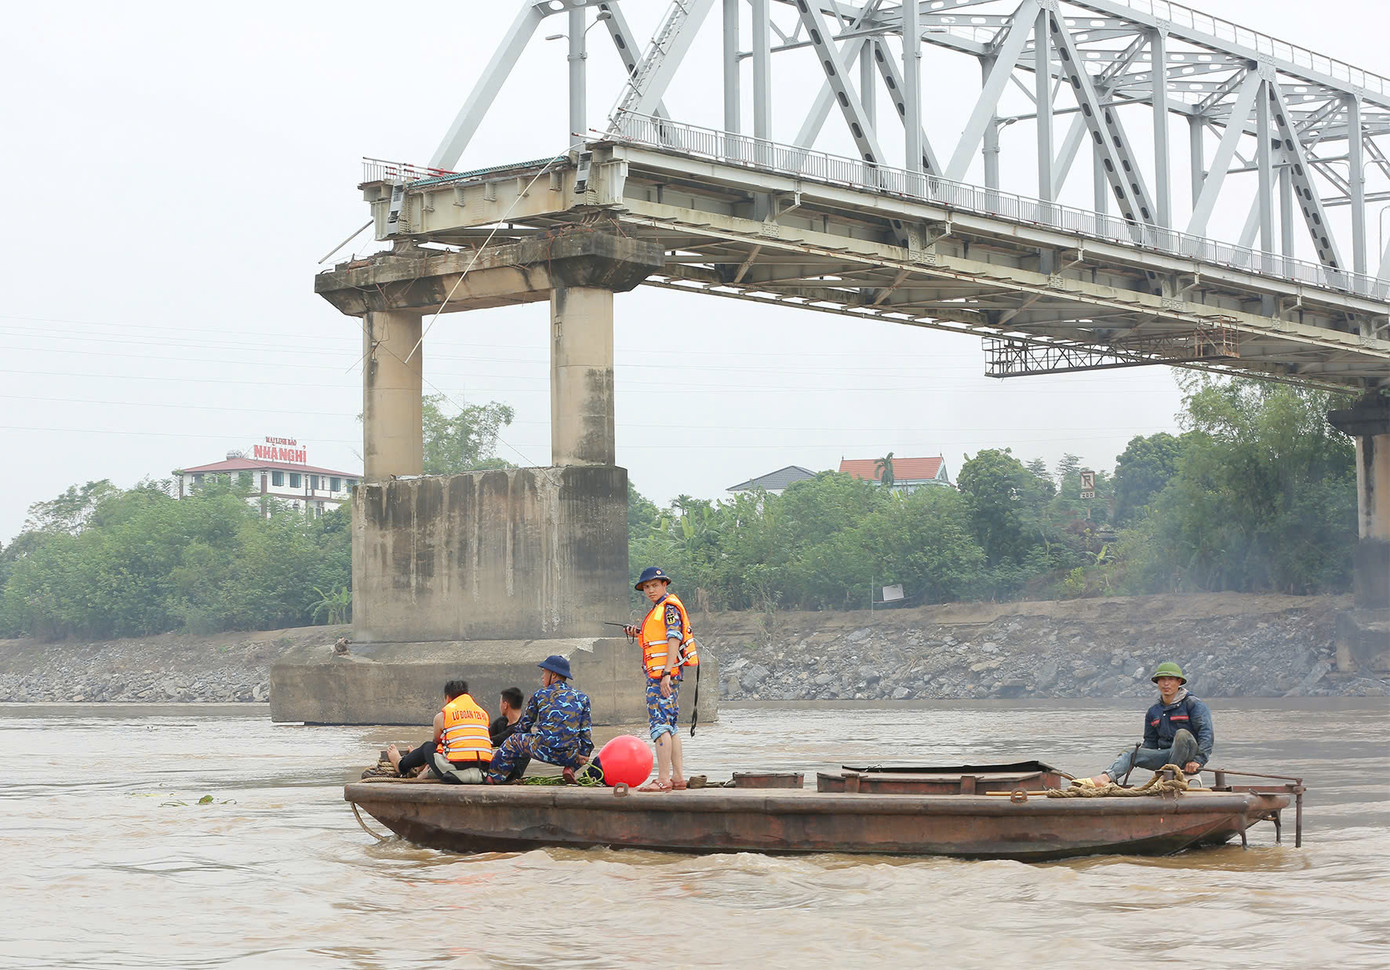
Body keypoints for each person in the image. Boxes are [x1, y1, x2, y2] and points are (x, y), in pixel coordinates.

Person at [622, 566, 699, 793]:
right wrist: (638, 633)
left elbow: (673, 638)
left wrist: (665, 673)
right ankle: (677, 778)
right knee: (671, 726)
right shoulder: (662, 609)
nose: (650, 590)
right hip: (667, 676)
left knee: (659, 725)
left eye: (654, 585)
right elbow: (659, 637)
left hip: (662, 677)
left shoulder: (668, 608)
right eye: (646, 587)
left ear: (664, 584)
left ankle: (663, 779)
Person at [1078, 662, 1214, 788]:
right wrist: (1141, 756)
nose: (1166, 683)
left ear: (1179, 682)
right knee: (1131, 752)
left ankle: (1168, 778)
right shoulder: (1153, 711)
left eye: (1171, 679)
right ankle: (1104, 778)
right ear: (1157, 683)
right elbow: (1150, 742)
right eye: (1162, 679)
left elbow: (1206, 733)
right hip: (1166, 756)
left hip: (1188, 755)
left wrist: (1198, 760)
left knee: (1182, 734)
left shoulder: (1193, 704)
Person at [486, 656, 593, 784]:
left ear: (553, 675)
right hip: (569, 756)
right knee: (586, 748)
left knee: (514, 741)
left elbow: (523, 727)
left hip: (544, 750)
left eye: (544, 672)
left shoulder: (539, 695)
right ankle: (570, 769)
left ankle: (494, 778)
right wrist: (583, 754)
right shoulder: (583, 698)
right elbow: (586, 734)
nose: (542, 677)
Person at [385, 679, 492, 784]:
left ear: (448, 698)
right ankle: (420, 769)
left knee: (428, 746)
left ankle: (400, 765)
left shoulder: (443, 716)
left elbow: (436, 743)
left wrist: (416, 757)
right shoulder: (483, 714)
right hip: (482, 773)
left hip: (455, 774)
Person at [489, 686, 529, 782]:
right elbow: (487, 735)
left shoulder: (522, 729)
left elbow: (496, 739)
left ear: (505, 704)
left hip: (509, 775)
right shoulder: (501, 722)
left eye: (500, 702)